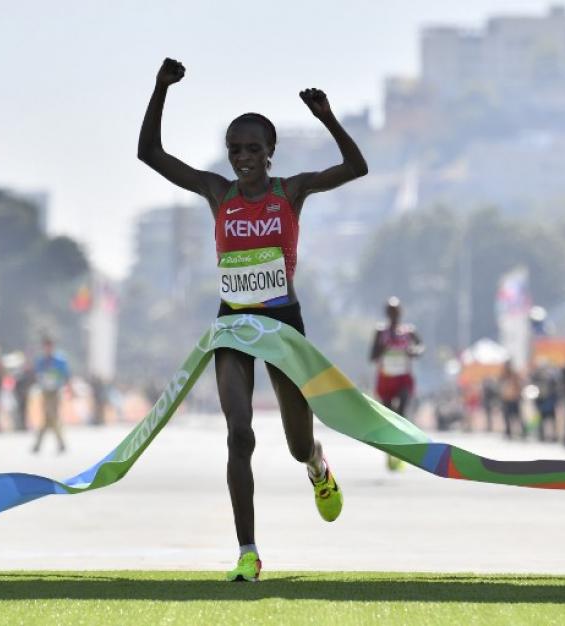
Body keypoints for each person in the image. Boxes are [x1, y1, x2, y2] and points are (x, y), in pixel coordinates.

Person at [137, 57, 368, 582]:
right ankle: (247, 551)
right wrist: (160, 89)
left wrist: (328, 118)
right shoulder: (218, 194)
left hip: (284, 324)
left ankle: (317, 465)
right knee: (239, 435)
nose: (243, 158)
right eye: (235, 150)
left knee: (294, 445)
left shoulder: (292, 191)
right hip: (234, 324)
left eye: (253, 149)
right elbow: (149, 153)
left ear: (270, 153)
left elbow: (357, 169)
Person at [369, 297, 423, 470]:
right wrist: (382, 349)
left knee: (401, 413)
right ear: (386, 313)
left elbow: (421, 346)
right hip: (386, 379)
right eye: (390, 311)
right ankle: (392, 451)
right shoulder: (380, 331)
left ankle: (400, 450)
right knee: (390, 417)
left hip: (403, 378)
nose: (393, 314)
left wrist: (414, 351)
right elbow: (372, 357)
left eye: (396, 311)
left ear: (401, 312)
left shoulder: (409, 331)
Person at [32, 336, 71, 454]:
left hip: (55, 391)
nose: (47, 349)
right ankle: (59, 444)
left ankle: (39, 445)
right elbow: (37, 375)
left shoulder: (60, 361)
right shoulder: (40, 361)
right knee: (49, 417)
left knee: (51, 417)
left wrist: (69, 387)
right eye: (46, 347)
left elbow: (66, 375)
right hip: (45, 391)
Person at [499, 360, 526, 439]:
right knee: (507, 417)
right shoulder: (503, 376)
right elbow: (501, 387)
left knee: (518, 416)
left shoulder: (514, 375)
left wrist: (518, 395)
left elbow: (519, 385)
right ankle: (509, 432)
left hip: (514, 399)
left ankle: (522, 432)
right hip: (506, 399)